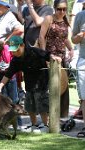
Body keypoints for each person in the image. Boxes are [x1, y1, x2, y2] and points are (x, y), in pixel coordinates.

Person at [0, 0, 53, 133]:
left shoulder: (34, 51)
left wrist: (53, 58)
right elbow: (8, 74)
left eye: (16, 49)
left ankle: (45, 125)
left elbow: (47, 55)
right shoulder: (16, 60)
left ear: (22, 46)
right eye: (12, 50)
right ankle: (34, 124)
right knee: (29, 104)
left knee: (42, 103)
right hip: (29, 83)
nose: (14, 52)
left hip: (41, 81)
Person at [39, 0, 74, 118]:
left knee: (63, 87)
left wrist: (71, 49)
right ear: (54, 8)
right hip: (50, 58)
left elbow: (64, 38)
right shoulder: (49, 19)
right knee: (49, 88)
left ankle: (61, 118)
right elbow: (41, 37)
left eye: (64, 9)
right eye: (59, 9)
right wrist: (46, 56)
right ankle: (48, 119)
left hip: (62, 58)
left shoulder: (65, 20)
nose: (62, 11)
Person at [71, 0, 85, 138]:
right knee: (84, 97)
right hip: (83, 60)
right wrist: (79, 37)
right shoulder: (80, 16)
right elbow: (73, 39)